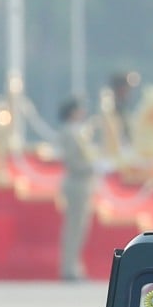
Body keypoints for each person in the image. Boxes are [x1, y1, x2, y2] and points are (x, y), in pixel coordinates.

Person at [57, 95, 99, 281]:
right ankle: (69, 269)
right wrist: (94, 167)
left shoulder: (77, 132)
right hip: (77, 181)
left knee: (80, 227)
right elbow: (74, 161)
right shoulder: (70, 133)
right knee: (74, 228)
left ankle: (74, 266)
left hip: (83, 182)